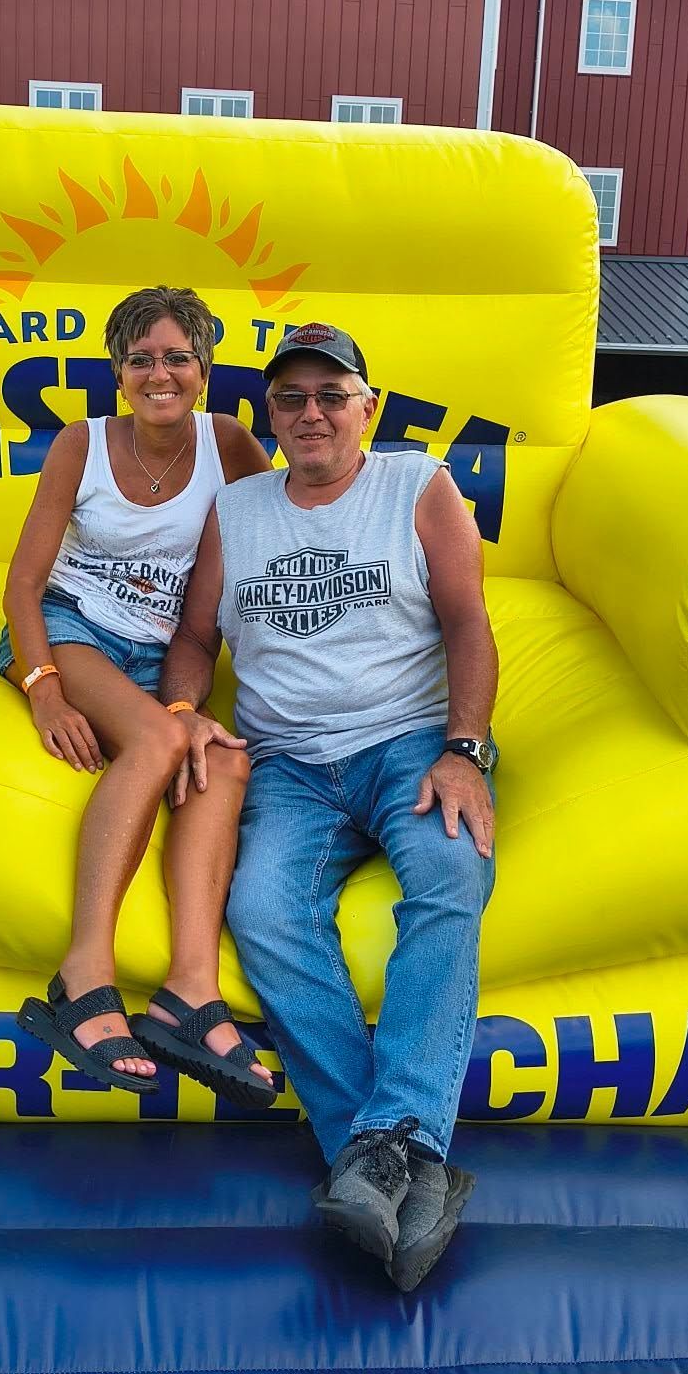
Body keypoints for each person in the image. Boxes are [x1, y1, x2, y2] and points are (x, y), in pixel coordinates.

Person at [160, 322, 498, 1291]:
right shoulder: (239, 507)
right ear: (270, 415)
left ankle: (382, 1146)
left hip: (409, 744)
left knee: (448, 870)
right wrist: (183, 713)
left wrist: (465, 750)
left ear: (368, 405)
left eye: (331, 393)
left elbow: (470, 622)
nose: (311, 413)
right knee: (263, 907)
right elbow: (192, 635)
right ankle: (393, 1153)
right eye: (291, 398)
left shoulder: (416, 485)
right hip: (290, 763)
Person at [2, 286, 276, 1105]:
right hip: (73, 629)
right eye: (140, 359)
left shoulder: (229, 444)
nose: (159, 373)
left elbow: (288, 530)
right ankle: (83, 977)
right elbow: (21, 585)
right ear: (118, 372)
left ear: (205, 368)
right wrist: (44, 688)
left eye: (177, 358)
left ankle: (189, 991)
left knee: (222, 763)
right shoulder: (79, 445)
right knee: (158, 744)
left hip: (163, 659)